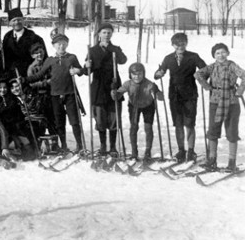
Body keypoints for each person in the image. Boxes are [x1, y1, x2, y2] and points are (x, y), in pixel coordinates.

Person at [195, 43, 245, 171]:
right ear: (214, 55)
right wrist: (206, 86)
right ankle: (211, 160)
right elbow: (198, 74)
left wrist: (239, 91)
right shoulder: (212, 67)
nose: (221, 55)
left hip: (232, 102)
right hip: (215, 102)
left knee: (231, 132)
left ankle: (232, 163)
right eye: (217, 53)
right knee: (213, 132)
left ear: (228, 53)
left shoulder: (232, 66)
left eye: (223, 52)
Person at [27, 33, 85, 153]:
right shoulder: (50, 60)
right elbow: (39, 75)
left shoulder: (72, 57)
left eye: (64, 43)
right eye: (58, 44)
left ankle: (80, 145)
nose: (61, 46)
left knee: (74, 121)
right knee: (59, 122)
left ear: (67, 44)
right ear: (54, 45)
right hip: (55, 95)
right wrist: (25, 80)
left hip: (70, 94)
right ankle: (63, 145)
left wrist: (78, 70)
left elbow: (82, 71)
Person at [154, 32, 207, 163]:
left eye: (182, 44)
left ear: (186, 43)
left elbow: (206, 69)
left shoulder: (193, 56)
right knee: (178, 124)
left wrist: (201, 75)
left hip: (190, 95)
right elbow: (159, 72)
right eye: (177, 45)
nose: (180, 47)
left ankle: (191, 150)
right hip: (174, 95)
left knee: (189, 124)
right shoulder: (168, 58)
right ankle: (181, 150)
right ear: (173, 45)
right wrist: (158, 73)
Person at [85, 23, 127, 156]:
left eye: (109, 32)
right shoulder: (92, 50)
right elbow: (87, 71)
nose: (106, 35)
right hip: (98, 87)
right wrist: (87, 65)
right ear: (99, 34)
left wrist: (112, 50)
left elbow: (123, 60)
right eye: (104, 32)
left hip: (113, 85)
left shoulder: (115, 49)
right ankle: (103, 146)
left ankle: (113, 146)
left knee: (114, 117)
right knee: (101, 118)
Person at [112, 63, 163, 162]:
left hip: (148, 106)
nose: (137, 77)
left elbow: (160, 98)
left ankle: (148, 152)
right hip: (134, 106)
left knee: (148, 128)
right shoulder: (128, 84)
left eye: (139, 74)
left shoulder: (149, 84)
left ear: (144, 74)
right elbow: (116, 97)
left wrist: (158, 91)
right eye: (134, 74)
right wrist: (114, 91)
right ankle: (134, 153)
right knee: (133, 127)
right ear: (130, 74)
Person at [2, 8, 47, 79]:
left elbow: (43, 58)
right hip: (12, 77)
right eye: (14, 20)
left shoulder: (34, 37)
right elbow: (5, 58)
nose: (17, 22)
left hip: (29, 76)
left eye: (19, 19)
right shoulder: (7, 37)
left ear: (23, 20)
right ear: (10, 23)